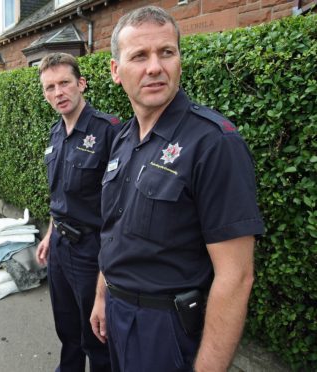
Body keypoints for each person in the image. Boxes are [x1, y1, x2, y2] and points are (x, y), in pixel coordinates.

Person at [89, 6, 265, 372]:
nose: (155, 66)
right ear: (116, 72)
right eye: (139, 55)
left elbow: (236, 276)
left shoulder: (214, 143)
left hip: (167, 329)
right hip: (118, 317)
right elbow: (114, 229)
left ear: (179, 61)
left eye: (166, 52)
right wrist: (102, 294)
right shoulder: (122, 138)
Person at [35, 52, 121, 372]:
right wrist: (49, 234)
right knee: (67, 330)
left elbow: (120, 206)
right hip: (59, 247)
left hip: (92, 251)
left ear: (81, 84)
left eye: (64, 83)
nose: (58, 92)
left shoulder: (109, 130)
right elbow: (59, 195)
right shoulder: (55, 133)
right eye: (49, 87)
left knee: (97, 335)